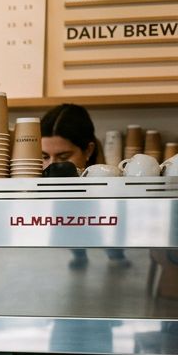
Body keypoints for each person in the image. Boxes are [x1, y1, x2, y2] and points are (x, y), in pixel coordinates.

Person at [40, 103, 127, 268]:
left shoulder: (114, 196)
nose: (51, 165)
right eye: (44, 156)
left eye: (63, 156)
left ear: (88, 150)